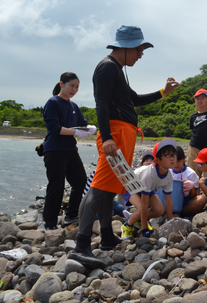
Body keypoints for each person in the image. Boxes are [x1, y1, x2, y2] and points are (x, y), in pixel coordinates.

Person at [69, 25, 179, 269]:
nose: (140, 55)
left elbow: (135, 99)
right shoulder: (107, 67)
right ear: (127, 47)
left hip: (122, 135)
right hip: (115, 135)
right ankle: (81, 246)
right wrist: (107, 137)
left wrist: (164, 92)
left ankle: (107, 236)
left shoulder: (117, 70)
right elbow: (101, 104)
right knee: (99, 188)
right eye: (139, 50)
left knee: (109, 189)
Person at [42, 72, 96, 230]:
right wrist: (76, 132)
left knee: (80, 182)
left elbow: (83, 123)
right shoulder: (53, 103)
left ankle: (72, 214)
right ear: (61, 84)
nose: (74, 89)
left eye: (77, 87)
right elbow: (54, 128)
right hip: (54, 151)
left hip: (70, 150)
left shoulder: (73, 106)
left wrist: (89, 128)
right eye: (72, 85)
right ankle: (50, 223)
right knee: (56, 187)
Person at [121, 139, 177, 239]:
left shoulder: (169, 175)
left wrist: (170, 225)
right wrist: (144, 229)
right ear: (158, 160)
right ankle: (128, 225)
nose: (172, 158)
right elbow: (144, 204)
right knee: (143, 209)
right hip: (131, 186)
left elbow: (168, 202)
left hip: (147, 187)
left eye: (173, 155)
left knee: (159, 211)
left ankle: (136, 217)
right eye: (167, 155)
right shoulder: (149, 174)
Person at [171, 146, 207, 214]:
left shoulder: (190, 173)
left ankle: (181, 211)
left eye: (178, 161)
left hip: (185, 202)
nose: (176, 164)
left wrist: (192, 187)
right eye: (173, 161)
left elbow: (195, 196)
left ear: (184, 158)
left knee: (202, 199)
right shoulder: (168, 172)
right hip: (169, 200)